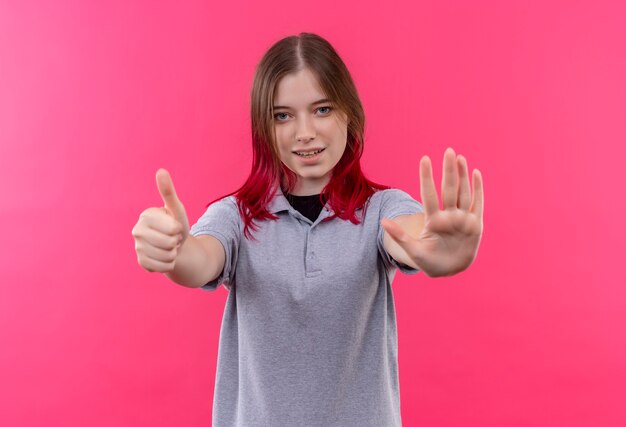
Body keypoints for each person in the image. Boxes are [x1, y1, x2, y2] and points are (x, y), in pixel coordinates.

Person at [132, 32, 483, 427]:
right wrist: (174, 252)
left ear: (348, 113)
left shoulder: (380, 209)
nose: (304, 132)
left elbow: (412, 234)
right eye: (283, 115)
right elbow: (201, 259)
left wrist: (438, 247)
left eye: (322, 109)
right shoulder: (235, 216)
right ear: (264, 128)